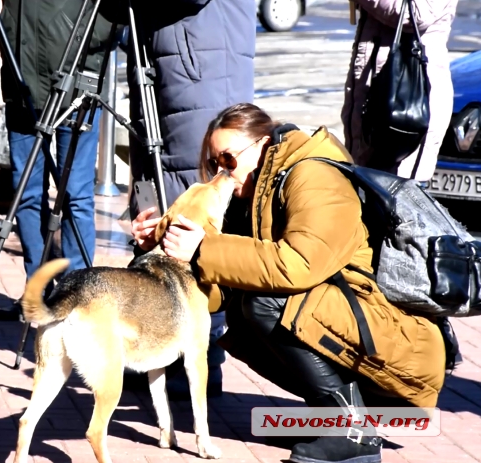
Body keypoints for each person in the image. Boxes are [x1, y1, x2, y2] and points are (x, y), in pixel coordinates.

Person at [132, 103, 446, 463]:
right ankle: (328, 419)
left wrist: (204, 249)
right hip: (355, 326)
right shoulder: (257, 191)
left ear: (263, 145)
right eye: (215, 165)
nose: (223, 174)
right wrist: (163, 249)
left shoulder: (313, 176)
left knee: (266, 303)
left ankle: (351, 430)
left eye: (229, 160)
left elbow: (298, 265)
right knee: (246, 306)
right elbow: (222, 292)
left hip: (397, 341)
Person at [100, 0, 256, 401]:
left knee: (198, 203)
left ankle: (203, 355)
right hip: (161, 58)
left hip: (199, 67)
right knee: (153, 199)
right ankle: (157, 344)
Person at [0, 0, 114, 321]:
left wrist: (87, 35)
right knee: (26, 193)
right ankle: (36, 291)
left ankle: (77, 297)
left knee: (75, 195)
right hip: (21, 74)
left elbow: (116, 15)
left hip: (77, 79)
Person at [342, 0, 459, 181]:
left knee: (399, 199)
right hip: (373, 99)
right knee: (362, 193)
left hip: (410, 102)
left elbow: (417, 14)